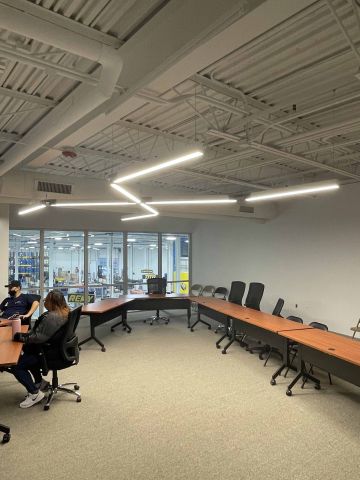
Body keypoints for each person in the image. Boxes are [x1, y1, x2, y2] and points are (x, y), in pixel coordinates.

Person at [11, 290, 70, 409]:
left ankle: (34, 393)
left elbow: (38, 338)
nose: (44, 301)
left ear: (52, 303)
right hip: (57, 349)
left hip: (47, 353)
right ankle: (39, 382)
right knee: (24, 354)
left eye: (46, 300)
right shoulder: (65, 312)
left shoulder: (52, 317)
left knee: (16, 364)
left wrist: (19, 336)